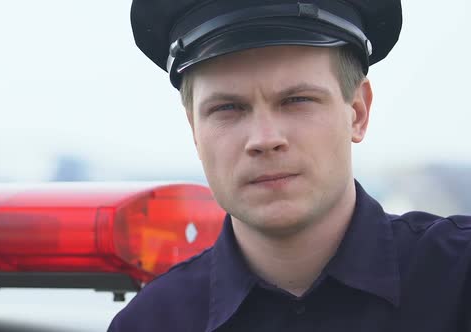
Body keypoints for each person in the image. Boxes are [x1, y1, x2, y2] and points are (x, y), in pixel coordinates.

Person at [109, 0, 471, 331]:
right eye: (227, 108)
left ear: (357, 113)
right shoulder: (150, 323)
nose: (264, 139)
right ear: (194, 130)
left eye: (297, 100)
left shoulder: (459, 281)